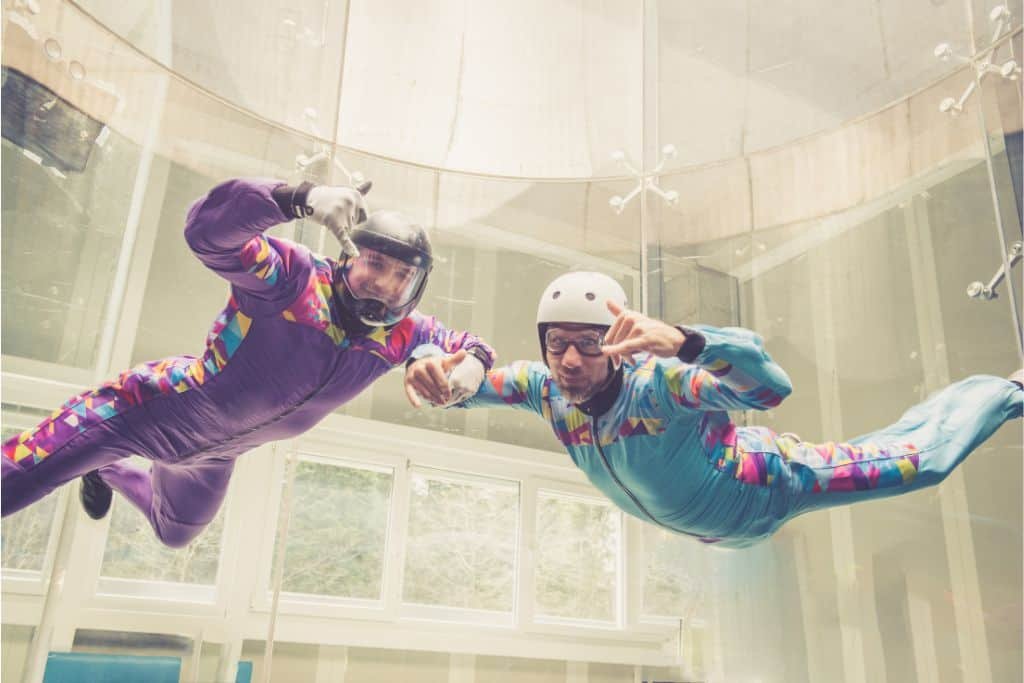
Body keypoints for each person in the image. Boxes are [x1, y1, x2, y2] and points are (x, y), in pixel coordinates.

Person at [2, 178, 493, 547]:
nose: (385, 285)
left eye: (403, 275)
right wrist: (295, 198)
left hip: (215, 456)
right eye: (375, 263)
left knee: (174, 533)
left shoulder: (407, 335)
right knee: (12, 484)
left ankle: (103, 469)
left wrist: (463, 368)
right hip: (144, 409)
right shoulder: (295, 278)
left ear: (417, 287)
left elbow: (471, 348)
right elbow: (206, 233)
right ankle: (98, 455)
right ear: (348, 256)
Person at [406, 271, 1023, 549]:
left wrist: (689, 343)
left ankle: (1009, 390)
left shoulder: (660, 387)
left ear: (617, 346)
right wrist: (430, 362)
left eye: (589, 344)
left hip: (770, 484)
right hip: (718, 534)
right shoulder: (543, 389)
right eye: (557, 343)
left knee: (922, 463)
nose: (569, 360)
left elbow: (769, 390)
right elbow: (466, 379)